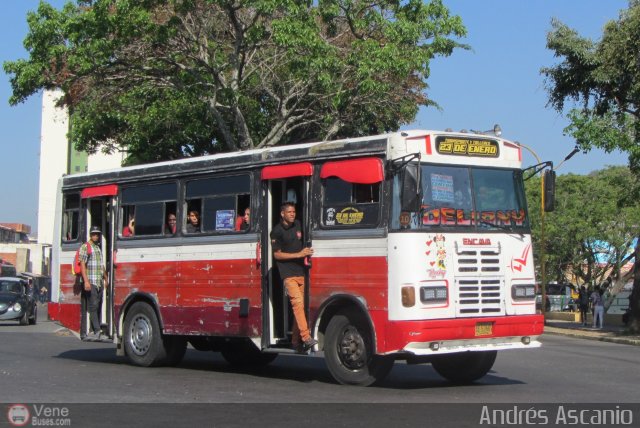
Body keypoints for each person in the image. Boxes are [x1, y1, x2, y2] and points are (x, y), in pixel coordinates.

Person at [270, 202, 317, 352]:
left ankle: (295, 342)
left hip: (302, 272)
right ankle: (306, 337)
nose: (292, 214)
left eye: (294, 212)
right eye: (289, 212)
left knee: (301, 308)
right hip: (288, 274)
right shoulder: (276, 231)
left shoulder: (298, 224)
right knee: (297, 304)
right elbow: (276, 254)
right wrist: (299, 254)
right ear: (282, 214)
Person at [80, 226, 108, 340]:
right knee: (93, 306)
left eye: (97, 234)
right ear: (90, 235)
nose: (96, 236)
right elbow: (82, 265)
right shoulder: (85, 247)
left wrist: (106, 278)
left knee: (98, 305)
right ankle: (96, 331)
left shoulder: (98, 248)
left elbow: (101, 265)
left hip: (99, 281)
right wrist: (86, 281)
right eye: (94, 234)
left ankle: (96, 330)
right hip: (91, 281)